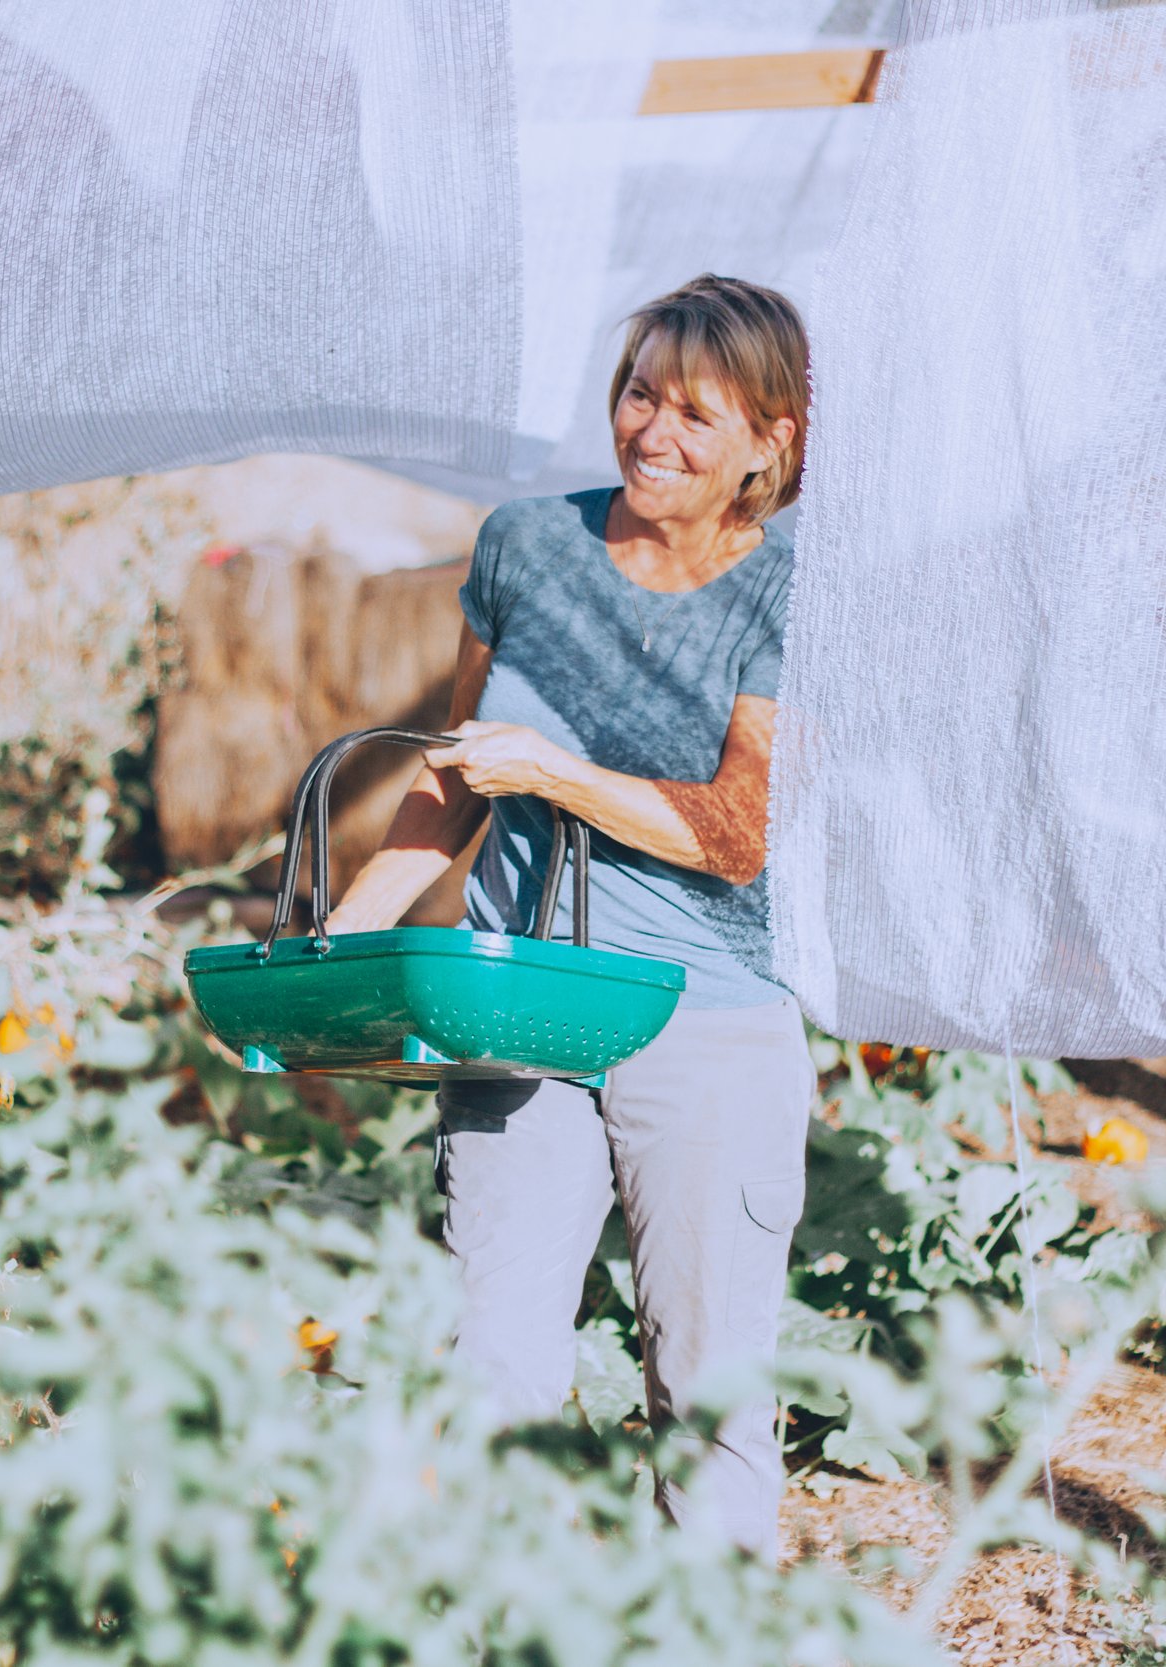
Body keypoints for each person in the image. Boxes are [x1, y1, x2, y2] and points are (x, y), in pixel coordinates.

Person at [324, 274, 815, 1557]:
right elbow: (455, 775)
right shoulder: (526, 545)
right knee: (490, 1363)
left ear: (770, 440)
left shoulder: (791, 590)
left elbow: (737, 832)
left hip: (703, 1024)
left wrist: (557, 774)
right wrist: (339, 940)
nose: (652, 431)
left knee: (707, 1392)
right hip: (518, 1001)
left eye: (696, 413)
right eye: (638, 393)